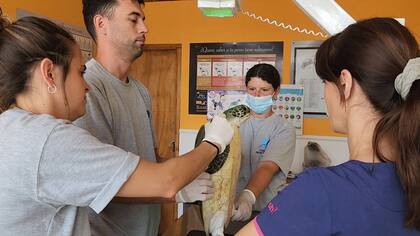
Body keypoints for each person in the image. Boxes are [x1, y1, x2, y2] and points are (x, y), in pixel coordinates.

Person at [0, 13, 233, 236]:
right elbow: (166, 182)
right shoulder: (48, 140)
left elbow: (154, 167)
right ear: (49, 73)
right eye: (80, 72)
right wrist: (214, 141)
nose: (86, 86)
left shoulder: (13, 127)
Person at [237, 17, 420, 235]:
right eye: (252, 89)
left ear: (345, 83)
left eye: (324, 82)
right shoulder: (410, 183)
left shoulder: (320, 190)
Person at [76, 0, 214, 235]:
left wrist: (185, 174)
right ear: (102, 24)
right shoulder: (87, 89)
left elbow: (151, 158)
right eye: (133, 19)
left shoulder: (141, 91)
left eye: (143, 19)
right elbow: (102, 184)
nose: (144, 28)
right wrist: (172, 191)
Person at [215, 63, 296, 235]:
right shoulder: (232, 122)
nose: (257, 95)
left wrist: (248, 197)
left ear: (276, 91)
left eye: (264, 90)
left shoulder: (283, 129)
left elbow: (267, 167)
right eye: (252, 89)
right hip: (230, 209)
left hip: (266, 212)